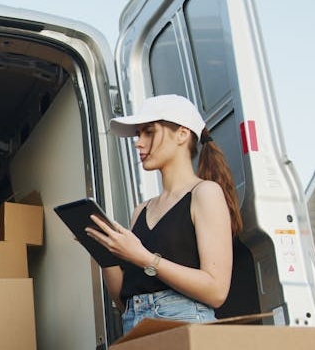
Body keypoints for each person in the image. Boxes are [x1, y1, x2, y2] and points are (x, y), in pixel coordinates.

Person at [86, 94, 242, 333]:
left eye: (149, 132)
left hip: (185, 323)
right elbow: (123, 301)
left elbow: (216, 290)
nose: (138, 143)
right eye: (139, 134)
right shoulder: (141, 210)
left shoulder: (205, 193)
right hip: (135, 325)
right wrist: (102, 250)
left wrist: (144, 258)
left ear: (182, 134)